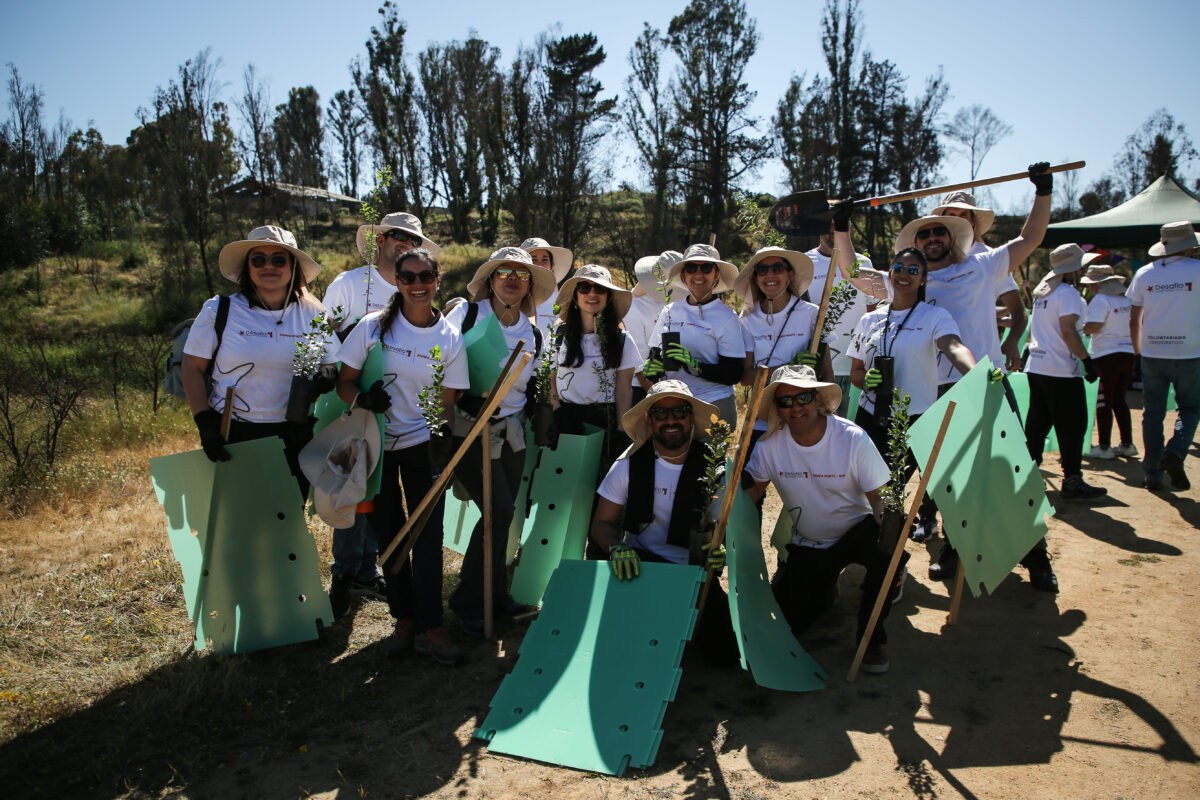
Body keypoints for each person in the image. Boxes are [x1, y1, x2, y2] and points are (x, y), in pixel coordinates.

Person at [336, 248, 468, 664]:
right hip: (375, 446)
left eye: (425, 276)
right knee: (389, 537)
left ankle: (431, 627)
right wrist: (363, 398)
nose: (417, 285)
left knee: (428, 538)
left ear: (437, 279)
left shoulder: (449, 337)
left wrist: (443, 438)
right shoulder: (373, 328)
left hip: (421, 447)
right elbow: (344, 382)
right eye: (408, 277)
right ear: (397, 281)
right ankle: (404, 620)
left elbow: (448, 401)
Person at [743, 365, 899, 675]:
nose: (796, 407)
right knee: (789, 623)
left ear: (818, 399)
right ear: (777, 409)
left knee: (888, 553)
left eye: (802, 397)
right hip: (811, 542)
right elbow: (753, 494)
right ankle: (826, 589)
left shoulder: (852, 438)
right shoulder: (768, 448)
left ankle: (871, 639)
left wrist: (890, 521)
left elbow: (879, 498)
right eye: (786, 401)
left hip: (858, 531)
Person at [322, 211, 440, 613]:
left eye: (411, 238)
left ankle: (369, 569)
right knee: (352, 487)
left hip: (402, 416)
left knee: (380, 497)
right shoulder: (350, 284)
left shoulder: (419, 286)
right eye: (395, 236)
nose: (403, 243)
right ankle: (344, 570)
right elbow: (324, 338)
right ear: (379, 241)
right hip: (356, 404)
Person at [444, 247, 556, 635]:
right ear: (490, 280)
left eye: (521, 274)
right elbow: (438, 363)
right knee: (499, 512)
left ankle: (493, 596)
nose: (511, 278)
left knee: (504, 516)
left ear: (529, 285)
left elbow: (535, 386)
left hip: (511, 434)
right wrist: (465, 398)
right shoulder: (468, 315)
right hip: (468, 430)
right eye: (503, 271)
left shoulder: (533, 331)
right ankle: (470, 600)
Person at [181, 225, 337, 499]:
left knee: (285, 525)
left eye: (278, 259)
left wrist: (326, 376)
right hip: (235, 433)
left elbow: (329, 363)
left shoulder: (314, 314)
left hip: (293, 435)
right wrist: (205, 423)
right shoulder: (221, 310)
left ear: (293, 268)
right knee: (239, 524)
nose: (269, 266)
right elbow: (192, 368)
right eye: (259, 259)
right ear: (247, 267)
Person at [589, 380, 737, 666]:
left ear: (691, 416)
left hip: (694, 572)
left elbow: (729, 530)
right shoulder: (628, 464)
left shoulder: (716, 468)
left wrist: (724, 552)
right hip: (641, 566)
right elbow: (601, 524)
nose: (671, 420)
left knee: (726, 655)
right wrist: (616, 548)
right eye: (661, 413)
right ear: (650, 419)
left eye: (679, 411)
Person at [847, 247, 979, 457]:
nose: (904, 274)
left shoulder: (935, 316)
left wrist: (976, 374)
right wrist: (865, 379)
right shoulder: (869, 320)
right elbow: (856, 371)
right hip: (870, 414)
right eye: (898, 268)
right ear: (890, 273)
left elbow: (954, 347)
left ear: (924, 278)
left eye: (913, 270)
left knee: (894, 486)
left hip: (914, 418)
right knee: (865, 485)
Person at [1024, 244, 1107, 503]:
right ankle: (1072, 479)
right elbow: (1069, 331)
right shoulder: (1068, 294)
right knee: (1073, 425)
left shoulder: (1043, 293)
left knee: (1038, 422)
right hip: (1060, 369)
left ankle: (1025, 473)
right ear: (1075, 268)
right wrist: (1087, 360)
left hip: (1037, 366)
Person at [1127, 221, 1200, 491]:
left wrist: (1137, 352)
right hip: (1191, 353)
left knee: (1153, 414)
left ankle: (1152, 473)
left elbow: (1135, 320)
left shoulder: (1145, 274)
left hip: (1153, 353)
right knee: (1191, 408)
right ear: (1190, 245)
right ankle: (1176, 452)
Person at [734, 246, 832, 445]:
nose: (770, 275)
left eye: (777, 268)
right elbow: (745, 377)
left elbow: (827, 370)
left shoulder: (813, 314)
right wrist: (789, 368)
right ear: (755, 277)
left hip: (804, 417)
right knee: (751, 475)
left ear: (790, 275)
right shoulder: (746, 320)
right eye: (762, 270)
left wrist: (828, 412)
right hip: (761, 418)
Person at [551, 264, 641, 474]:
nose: (592, 294)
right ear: (575, 296)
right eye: (584, 288)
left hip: (605, 421)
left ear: (608, 296)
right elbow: (549, 379)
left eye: (599, 289)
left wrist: (621, 431)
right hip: (567, 419)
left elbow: (624, 390)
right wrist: (556, 414)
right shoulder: (557, 336)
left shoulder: (622, 340)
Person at [642, 243, 744, 426]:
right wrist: (653, 370)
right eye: (691, 268)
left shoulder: (727, 317)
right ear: (683, 275)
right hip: (675, 405)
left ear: (716, 274)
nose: (698, 274)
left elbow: (734, 373)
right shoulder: (669, 311)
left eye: (706, 268)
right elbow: (655, 355)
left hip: (714, 403)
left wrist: (696, 366)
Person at [932, 191, 1028, 373]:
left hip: (985, 366)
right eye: (952, 215)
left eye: (963, 215)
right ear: (943, 220)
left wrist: (1012, 341)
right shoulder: (931, 257)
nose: (958, 221)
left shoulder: (989, 259)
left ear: (973, 221)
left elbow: (1018, 310)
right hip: (938, 372)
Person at [804, 215, 885, 416]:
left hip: (855, 370)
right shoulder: (805, 263)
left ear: (848, 226)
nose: (833, 230)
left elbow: (873, 314)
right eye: (827, 224)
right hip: (819, 370)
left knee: (852, 432)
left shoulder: (863, 262)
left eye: (839, 224)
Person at [1080, 263, 1137, 460]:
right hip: (1128, 354)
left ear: (1097, 285)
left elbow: (1094, 326)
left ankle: (1104, 446)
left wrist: (1079, 327)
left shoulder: (1100, 300)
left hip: (1105, 356)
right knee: (1120, 400)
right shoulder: (1127, 300)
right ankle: (1127, 443)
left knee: (1103, 401)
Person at [624, 250, 684, 401]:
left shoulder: (680, 306)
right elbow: (637, 361)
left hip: (675, 386)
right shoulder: (635, 307)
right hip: (641, 388)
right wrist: (656, 396)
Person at [520, 237, 574, 334]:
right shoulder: (510, 299)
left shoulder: (561, 303)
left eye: (545, 260)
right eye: (534, 259)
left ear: (551, 266)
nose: (539, 265)